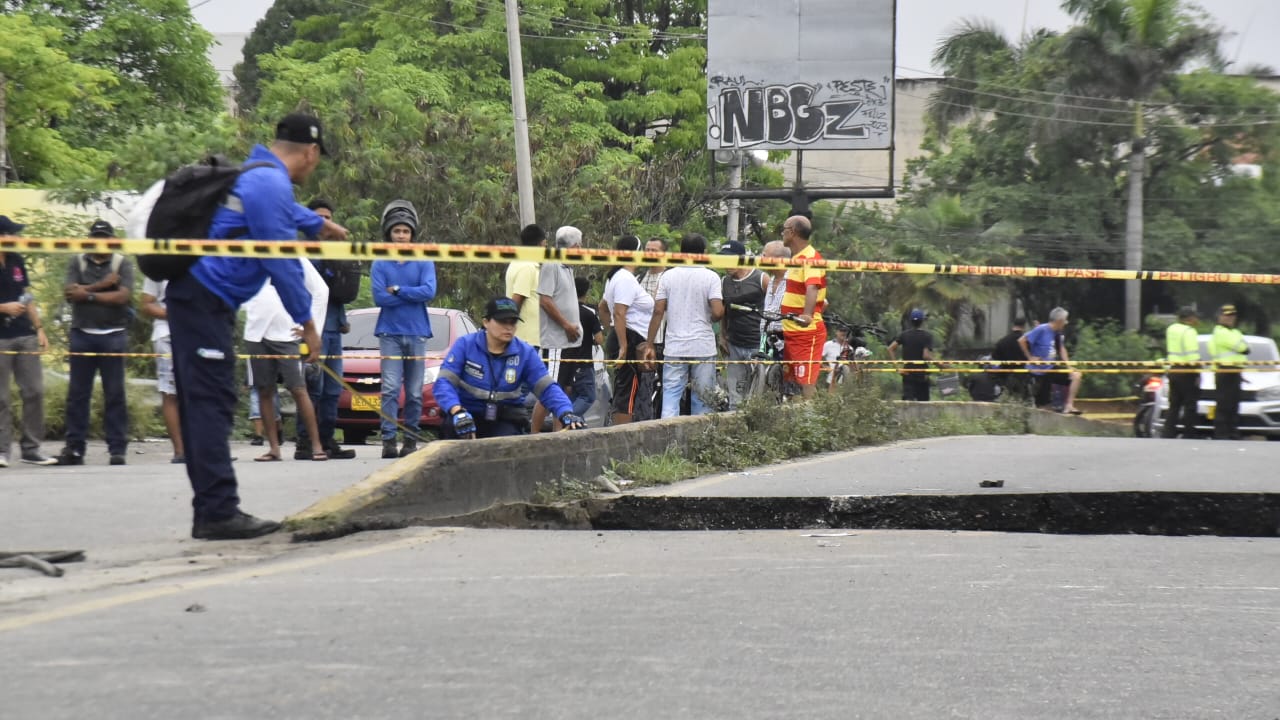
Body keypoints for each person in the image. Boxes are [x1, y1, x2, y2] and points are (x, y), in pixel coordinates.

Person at [166, 112, 346, 540]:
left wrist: (317, 224)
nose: (314, 166)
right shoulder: (269, 182)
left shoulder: (261, 175)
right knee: (211, 401)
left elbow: (281, 214)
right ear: (311, 151)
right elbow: (281, 261)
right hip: (201, 300)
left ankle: (210, 509)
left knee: (208, 399)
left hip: (204, 301)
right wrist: (308, 324)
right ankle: (218, 512)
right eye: (317, 159)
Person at [435, 297, 585, 439]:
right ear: (486, 322)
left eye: (512, 322)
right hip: (465, 414)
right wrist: (456, 410)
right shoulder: (465, 345)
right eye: (502, 322)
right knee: (452, 434)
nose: (508, 327)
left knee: (506, 446)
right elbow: (444, 383)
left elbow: (547, 388)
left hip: (505, 419)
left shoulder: (525, 353)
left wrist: (565, 412)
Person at [57, 220, 133, 466]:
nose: (101, 242)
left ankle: (117, 449)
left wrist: (86, 293)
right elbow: (70, 294)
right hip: (82, 334)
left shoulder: (122, 263)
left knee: (115, 394)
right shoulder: (77, 261)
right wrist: (101, 286)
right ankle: (75, 448)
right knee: (78, 395)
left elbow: (122, 297)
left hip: (113, 334)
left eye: (105, 237)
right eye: (97, 237)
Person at [242, 259, 330, 462]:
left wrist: (312, 329)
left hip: (287, 333)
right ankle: (274, 448)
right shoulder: (248, 255)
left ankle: (316, 446)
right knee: (264, 390)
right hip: (255, 333)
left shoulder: (294, 256)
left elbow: (321, 292)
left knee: (298, 389)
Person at [371, 200, 437, 459]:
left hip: (418, 332)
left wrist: (398, 290)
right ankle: (388, 438)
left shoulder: (423, 261)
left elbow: (429, 291)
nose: (401, 235)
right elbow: (379, 298)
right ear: (389, 232)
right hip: (389, 333)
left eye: (405, 231)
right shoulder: (380, 263)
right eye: (397, 231)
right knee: (389, 387)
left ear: (412, 234)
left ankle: (410, 437)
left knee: (413, 390)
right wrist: (412, 294)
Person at [295, 199, 356, 460]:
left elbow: (341, 291)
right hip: (312, 330)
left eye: (328, 217)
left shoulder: (337, 250)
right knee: (312, 388)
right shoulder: (301, 251)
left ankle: (328, 439)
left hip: (333, 329)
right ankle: (305, 441)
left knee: (333, 389)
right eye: (319, 217)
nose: (325, 222)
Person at [644, 233, 725, 417]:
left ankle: (668, 441)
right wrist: (710, 319)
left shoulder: (667, 276)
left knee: (671, 397)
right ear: (704, 253)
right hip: (702, 346)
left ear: (680, 252)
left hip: (674, 347)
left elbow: (658, 311)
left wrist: (649, 343)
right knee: (702, 399)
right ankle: (700, 442)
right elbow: (718, 312)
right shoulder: (711, 277)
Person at [0, 216, 56, 467]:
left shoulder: (16, 260)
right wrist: (3, 307)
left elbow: (27, 295)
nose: (19, 239)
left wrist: (39, 327)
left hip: (25, 336)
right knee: (1, 397)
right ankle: (2, 451)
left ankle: (32, 448)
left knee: (34, 391)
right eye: (13, 234)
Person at [599, 235, 655, 425]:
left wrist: (613, 332)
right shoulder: (624, 278)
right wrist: (622, 344)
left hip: (625, 335)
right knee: (627, 394)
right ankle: (622, 439)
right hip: (629, 339)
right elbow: (619, 312)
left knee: (625, 390)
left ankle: (620, 433)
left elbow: (603, 308)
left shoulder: (617, 277)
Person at [532, 226, 583, 433]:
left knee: (561, 391)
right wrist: (566, 325)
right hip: (556, 342)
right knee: (548, 391)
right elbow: (544, 299)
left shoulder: (567, 267)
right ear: (575, 246)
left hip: (569, 342)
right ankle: (533, 436)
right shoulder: (552, 265)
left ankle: (557, 435)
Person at [779, 215, 827, 398]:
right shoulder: (796, 258)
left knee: (805, 382)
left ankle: (810, 422)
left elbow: (812, 287)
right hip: (791, 331)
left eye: (784, 229)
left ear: (792, 232)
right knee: (792, 383)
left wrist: (807, 315)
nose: (782, 233)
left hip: (806, 334)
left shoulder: (810, 257)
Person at [719, 239, 769, 409]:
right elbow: (725, 310)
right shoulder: (724, 282)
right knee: (735, 394)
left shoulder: (761, 278)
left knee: (755, 394)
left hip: (757, 343)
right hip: (734, 344)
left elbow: (774, 307)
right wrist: (722, 336)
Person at [140, 277, 184, 463]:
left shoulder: (201, 260)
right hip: (166, 335)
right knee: (170, 393)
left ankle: (209, 449)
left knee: (202, 392)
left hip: (199, 334)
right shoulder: (157, 266)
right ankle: (180, 451)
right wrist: (173, 315)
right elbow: (146, 304)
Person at [1018, 307, 1083, 414]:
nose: (1066, 323)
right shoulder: (1042, 329)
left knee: (1076, 375)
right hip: (1038, 372)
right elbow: (1021, 340)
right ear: (1059, 321)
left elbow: (1062, 349)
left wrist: (1069, 367)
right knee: (1042, 407)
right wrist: (1030, 357)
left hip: (1051, 368)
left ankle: (1069, 405)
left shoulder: (1057, 333)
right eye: (1065, 320)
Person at [561, 276, 604, 420]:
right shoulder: (589, 313)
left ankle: (574, 429)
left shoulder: (562, 311)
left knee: (572, 398)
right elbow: (599, 339)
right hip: (584, 363)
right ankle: (565, 417)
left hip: (565, 362)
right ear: (586, 292)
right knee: (587, 397)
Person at [637, 237, 667, 416]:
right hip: (641, 340)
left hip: (664, 339)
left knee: (667, 386)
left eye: (654, 250)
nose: (649, 253)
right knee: (643, 386)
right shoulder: (639, 277)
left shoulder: (669, 277)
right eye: (647, 249)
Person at [1208, 304, 1248, 440]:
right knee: (1224, 404)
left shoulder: (1235, 332)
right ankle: (1221, 434)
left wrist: (1244, 347)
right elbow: (1242, 347)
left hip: (1235, 371)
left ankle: (1233, 433)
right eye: (1226, 315)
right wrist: (1243, 347)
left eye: (1232, 315)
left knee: (1234, 403)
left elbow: (1246, 347)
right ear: (1219, 317)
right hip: (1224, 371)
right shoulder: (1219, 332)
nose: (1230, 318)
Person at [1161, 306, 1202, 439]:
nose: (1197, 319)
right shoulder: (1189, 331)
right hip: (1187, 371)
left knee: (1174, 404)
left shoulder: (1171, 329)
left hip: (1173, 369)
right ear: (1189, 318)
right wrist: (1197, 371)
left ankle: (1168, 432)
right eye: (1195, 317)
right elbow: (1192, 355)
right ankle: (1189, 433)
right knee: (1190, 404)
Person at [505, 224, 544, 349]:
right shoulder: (527, 267)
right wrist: (508, 329)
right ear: (539, 245)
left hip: (525, 339)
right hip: (526, 340)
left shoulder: (519, 263)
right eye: (545, 246)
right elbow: (517, 299)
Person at [887, 309, 935, 401]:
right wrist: (940, 364)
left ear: (911, 321)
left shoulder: (904, 335)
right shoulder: (927, 336)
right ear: (922, 321)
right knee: (923, 405)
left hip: (908, 374)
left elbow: (890, 349)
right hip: (922, 375)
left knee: (907, 404)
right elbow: (925, 356)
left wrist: (897, 368)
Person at [991, 317, 1029, 400]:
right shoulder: (1026, 341)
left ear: (1013, 325)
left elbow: (994, 358)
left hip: (1005, 376)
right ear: (1024, 326)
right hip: (1022, 376)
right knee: (1021, 400)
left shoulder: (1002, 341)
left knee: (1006, 399)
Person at [822, 326, 852, 391]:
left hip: (845, 380)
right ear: (836, 332)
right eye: (841, 331)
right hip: (830, 378)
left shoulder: (849, 348)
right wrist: (824, 366)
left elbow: (852, 363)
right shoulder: (828, 344)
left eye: (845, 331)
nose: (843, 333)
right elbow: (819, 357)